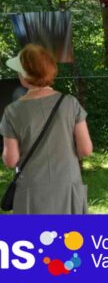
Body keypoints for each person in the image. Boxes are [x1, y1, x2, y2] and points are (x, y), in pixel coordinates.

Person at [0, 44, 92, 214]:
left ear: (25, 75)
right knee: (70, 239)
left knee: (33, 238)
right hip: (68, 187)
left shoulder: (12, 111)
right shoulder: (70, 103)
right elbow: (86, 149)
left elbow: (11, 160)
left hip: (31, 189)